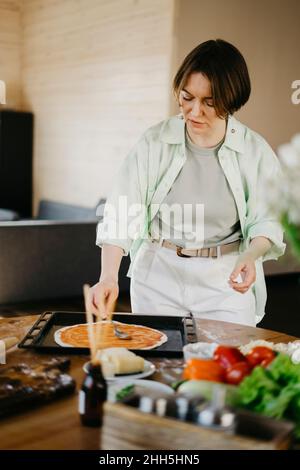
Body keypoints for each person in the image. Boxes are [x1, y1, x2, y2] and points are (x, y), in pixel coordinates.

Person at [88, 39, 285, 326]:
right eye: (187, 97)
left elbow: (268, 218)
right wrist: (108, 277)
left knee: (226, 365)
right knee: (158, 364)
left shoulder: (255, 151)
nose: (193, 112)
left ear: (232, 100)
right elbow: (122, 209)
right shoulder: (154, 141)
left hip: (226, 278)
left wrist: (252, 255)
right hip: (158, 273)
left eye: (209, 102)